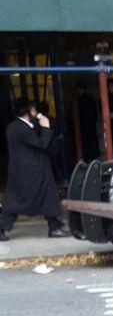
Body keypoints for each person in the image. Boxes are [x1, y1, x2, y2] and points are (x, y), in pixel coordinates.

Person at [0, 96, 67, 240]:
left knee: (20, 201)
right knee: (21, 201)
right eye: (33, 109)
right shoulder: (20, 128)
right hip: (31, 172)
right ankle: (53, 228)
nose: (36, 111)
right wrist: (46, 128)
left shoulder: (16, 126)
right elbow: (41, 144)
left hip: (26, 171)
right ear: (27, 111)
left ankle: (54, 226)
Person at [76, 81, 99, 161]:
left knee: (87, 144)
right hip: (90, 126)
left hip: (85, 126)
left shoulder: (80, 100)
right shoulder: (90, 99)